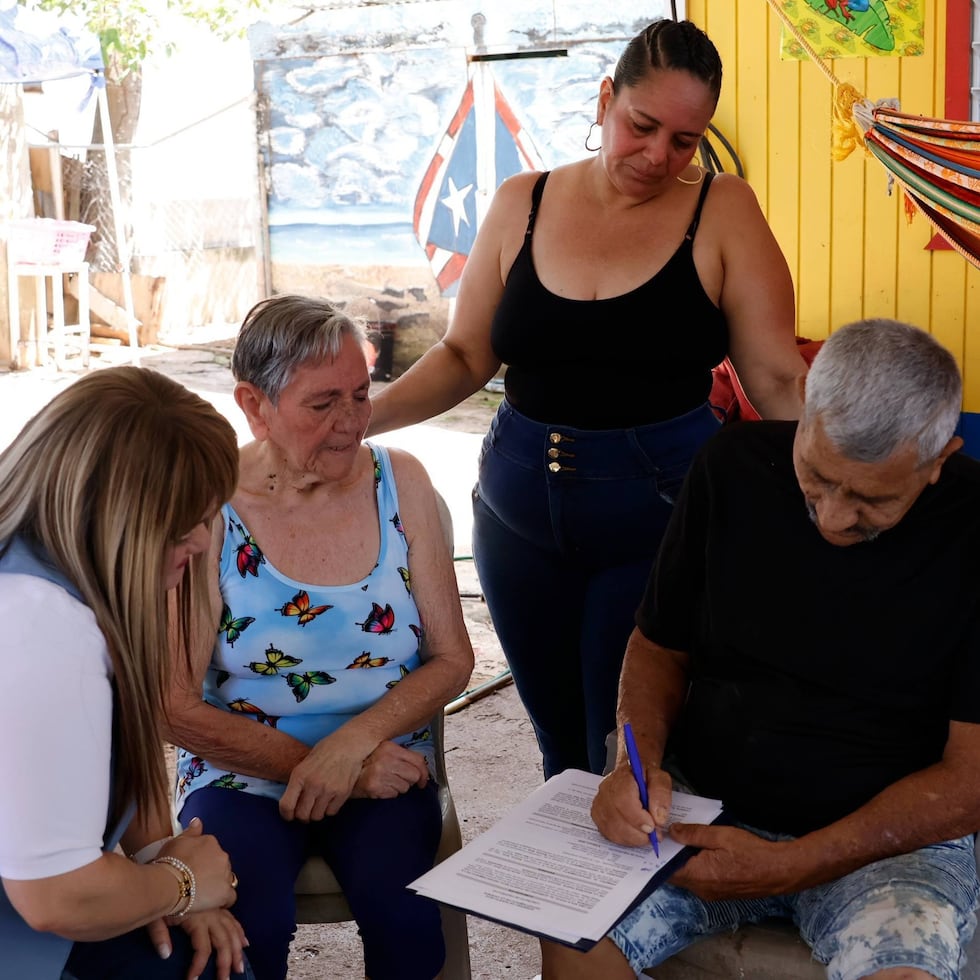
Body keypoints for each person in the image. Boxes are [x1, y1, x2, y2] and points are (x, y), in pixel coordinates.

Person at [367, 18, 808, 780]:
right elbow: (467, 353)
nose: (658, 156)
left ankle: (634, 897)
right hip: (516, 513)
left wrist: (845, 490)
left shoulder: (724, 209)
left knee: (626, 748)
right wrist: (359, 421)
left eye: (684, 141)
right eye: (642, 126)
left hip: (660, 515)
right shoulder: (520, 201)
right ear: (606, 99)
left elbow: (774, 381)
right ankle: (559, 898)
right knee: (557, 743)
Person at [543, 318, 980, 980]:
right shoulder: (732, 467)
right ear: (805, 401)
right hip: (701, 808)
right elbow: (659, 645)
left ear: (939, 458)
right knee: (572, 933)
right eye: (818, 476)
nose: (833, 517)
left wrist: (793, 864)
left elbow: (970, 776)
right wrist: (634, 763)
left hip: (890, 847)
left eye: (872, 499)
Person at [165, 294, 475, 980]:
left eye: (361, 395)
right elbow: (175, 704)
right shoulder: (209, 508)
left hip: (384, 756)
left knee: (406, 917)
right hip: (240, 771)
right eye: (322, 403)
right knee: (243, 929)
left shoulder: (403, 483)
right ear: (254, 403)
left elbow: (454, 659)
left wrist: (353, 748)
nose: (350, 423)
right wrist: (329, 769)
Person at [0, 367, 249, 980]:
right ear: (118, 517)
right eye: (182, 521)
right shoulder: (43, 629)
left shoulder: (52, 570)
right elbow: (56, 896)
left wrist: (155, 859)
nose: (198, 540)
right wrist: (181, 883)